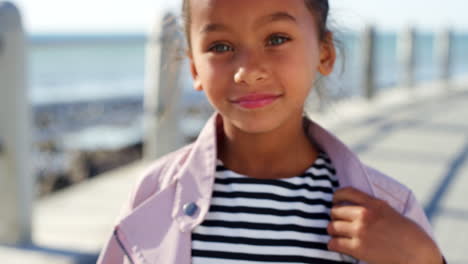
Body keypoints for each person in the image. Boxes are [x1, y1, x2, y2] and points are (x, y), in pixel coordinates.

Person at [98, 0, 446, 263]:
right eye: (221, 47)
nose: (247, 71)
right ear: (194, 69)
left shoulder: (387, 209)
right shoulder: (155, 196)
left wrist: (424, 260)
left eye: (276, 39)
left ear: (324, 54)